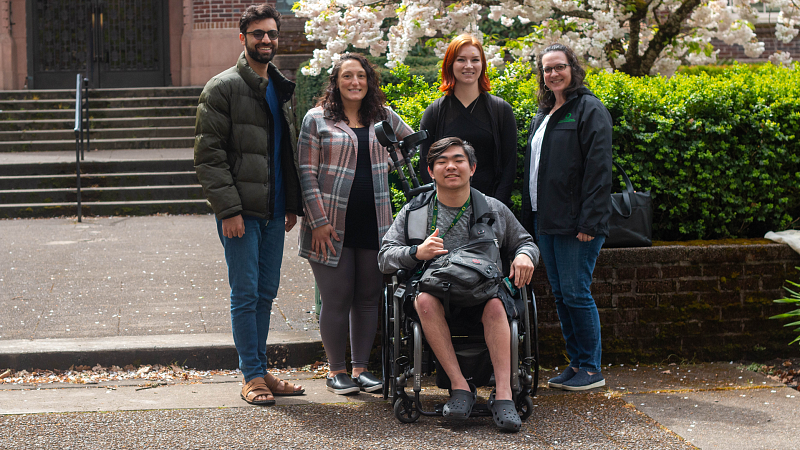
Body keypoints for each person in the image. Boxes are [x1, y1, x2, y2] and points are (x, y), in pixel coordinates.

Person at [378, 137, 538, 432]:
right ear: (431, 171)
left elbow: (525, 242)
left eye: (458, 160)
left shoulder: (493, 209)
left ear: (472, 168)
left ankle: (503, 394)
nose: (450, 166)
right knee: (423, 300)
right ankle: (460, 387)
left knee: (495, 303)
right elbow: (385, 258)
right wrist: (416, 252)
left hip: (484, 292)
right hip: (436, 296)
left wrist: (525, 256)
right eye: (441, 162)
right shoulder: (415, 212)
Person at [193, 3, 305, 406]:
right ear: (242, 38)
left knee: (265, 293)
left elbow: (284, 152)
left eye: (271, 34)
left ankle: (259, 370)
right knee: (245, 293)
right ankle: (252, 376)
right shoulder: (221, 88)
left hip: (275, 212)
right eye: (258, 34)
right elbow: (209, 157)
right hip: (241, 213)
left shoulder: (279, 85)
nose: (266, 40)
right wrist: (228, 210)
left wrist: (291, 204)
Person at [296, 53, 413, 396]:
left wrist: (389, 164)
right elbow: (306, 172)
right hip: (330, 224)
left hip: (375, 222)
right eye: (347, 76)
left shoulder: (383, 117)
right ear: (336, 81)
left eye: (360, 76)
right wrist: (317, 221)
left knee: (367, 296)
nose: (355, 82)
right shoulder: (317, 119)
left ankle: (361, 369)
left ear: (369, 80)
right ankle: (336, 371)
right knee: (337, 296)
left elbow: (409, 145)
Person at [522, 43, 613, 391]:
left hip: (578, 224)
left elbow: (598, 169)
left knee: (577, 293)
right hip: (546, 220)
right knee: (561, 294)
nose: (553, 74)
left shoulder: (588, 109)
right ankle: (576, 364)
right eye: (546, 69)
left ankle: (591, 368)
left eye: (559, 67)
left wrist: (590, 221)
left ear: (573, 68)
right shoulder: (544, 114)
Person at [418, 34, 517, 206]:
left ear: (483, 64)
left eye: (475, 60)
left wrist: (496, 206)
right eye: (461, 60)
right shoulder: (435, 112)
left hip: (491, 205)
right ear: (450, 65)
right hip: (446, 206)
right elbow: (425, 163)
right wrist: (441, 202)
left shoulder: (501, 110)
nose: (468, 66)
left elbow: (510, 165)